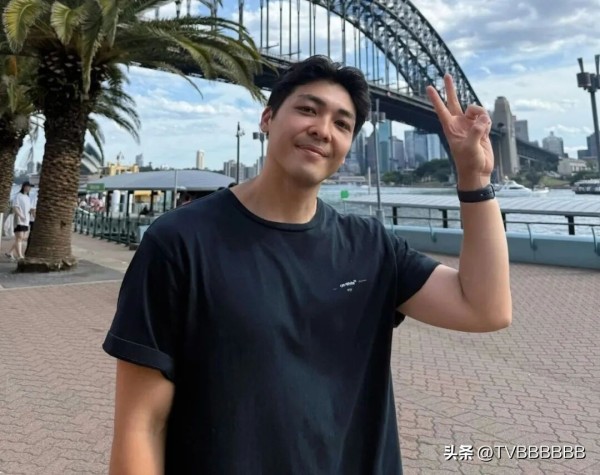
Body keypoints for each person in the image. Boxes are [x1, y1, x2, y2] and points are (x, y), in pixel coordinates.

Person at [103, 56, 512, 474]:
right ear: (267, 118)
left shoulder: (370, 246)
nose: (322, 129)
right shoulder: (179, 242)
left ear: (348, 147)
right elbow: (141, 426)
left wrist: (474, 179)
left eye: (342, 124)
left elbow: (484, 309)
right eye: (307, 109)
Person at [5, 182, 32, 261]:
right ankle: (20, 255)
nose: (28, 188)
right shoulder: (18, 196)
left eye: (29, 187)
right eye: (27, 186)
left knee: (21, 238)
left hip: (26, 220)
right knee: (19, 237)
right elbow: (15, 207)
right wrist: (20, 216)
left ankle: (10, 252)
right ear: (23, 187)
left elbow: (29, 209)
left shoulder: (28, 197)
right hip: (19, 219)